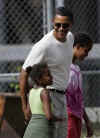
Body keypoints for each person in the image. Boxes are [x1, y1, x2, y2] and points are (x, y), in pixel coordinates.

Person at [20, 6, 74, 138]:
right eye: (57, 25)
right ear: (53, 23)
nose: (61, 28)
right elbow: (24, 72)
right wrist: (24, 105)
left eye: (65, 25)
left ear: (71, 25)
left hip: (62, 96)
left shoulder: (70, 38)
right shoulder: (44, 45)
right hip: (49, 96)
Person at [23, 63, 64, 138]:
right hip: (42, 131)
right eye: (48, 75)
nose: (51, 77)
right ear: (39, 79)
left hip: (30, 131)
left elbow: (28, 113)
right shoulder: (44, 92)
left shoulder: (31, 91)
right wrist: (59, 119)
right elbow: (48, 116)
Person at [66, 32, 94, 138]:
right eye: (86, 51)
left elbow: (79, 99)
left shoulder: (76, 69)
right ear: (77, 47)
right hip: (67, 116)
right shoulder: (64, 68)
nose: (87, 54)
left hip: (76, 117)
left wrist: (87, 121)